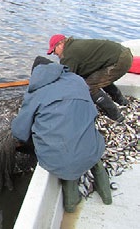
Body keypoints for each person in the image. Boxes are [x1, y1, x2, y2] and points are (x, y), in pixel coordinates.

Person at [11, 56, 112, 213]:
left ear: (36, 74)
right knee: (93, 155)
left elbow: (19, 132)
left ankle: (71, 205)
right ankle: (107, 196)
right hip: (91, 146)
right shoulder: (78, 81)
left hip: (61, 158)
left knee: (68, 166)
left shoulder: (36, 92)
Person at [47, 34, 133, 122]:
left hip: (120, 60)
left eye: (54, 50)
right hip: (124, 54)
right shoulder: (73, 45)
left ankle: (116, 116)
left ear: (60, 44)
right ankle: (122, 101)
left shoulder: (68, 55)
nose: (54, 53)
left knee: (90, 87)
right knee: (97, 78)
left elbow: (67, 80)